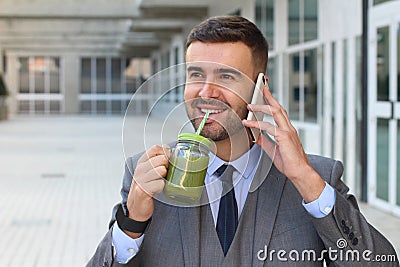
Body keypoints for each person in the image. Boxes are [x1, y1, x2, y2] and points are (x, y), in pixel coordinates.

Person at [87, 16, 398, 266]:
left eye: (226, 77)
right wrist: (132, 224)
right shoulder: (146, 175)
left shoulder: (316, 177)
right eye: (196, 74)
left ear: (259, 87)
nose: (206, 92)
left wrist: (306, 179)